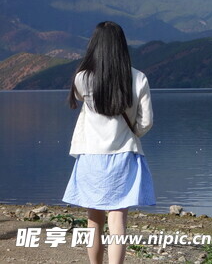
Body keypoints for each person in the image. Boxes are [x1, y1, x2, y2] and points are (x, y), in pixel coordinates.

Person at [63, 21, 154, 264]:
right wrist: (132, 132)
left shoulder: (83, 78)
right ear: (121, 46)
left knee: (94, 221)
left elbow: (83, 98)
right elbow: (146, 122)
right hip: (124, 155)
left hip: (91, 155)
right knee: (117, 222)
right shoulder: (138, 78)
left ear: (95, 46)